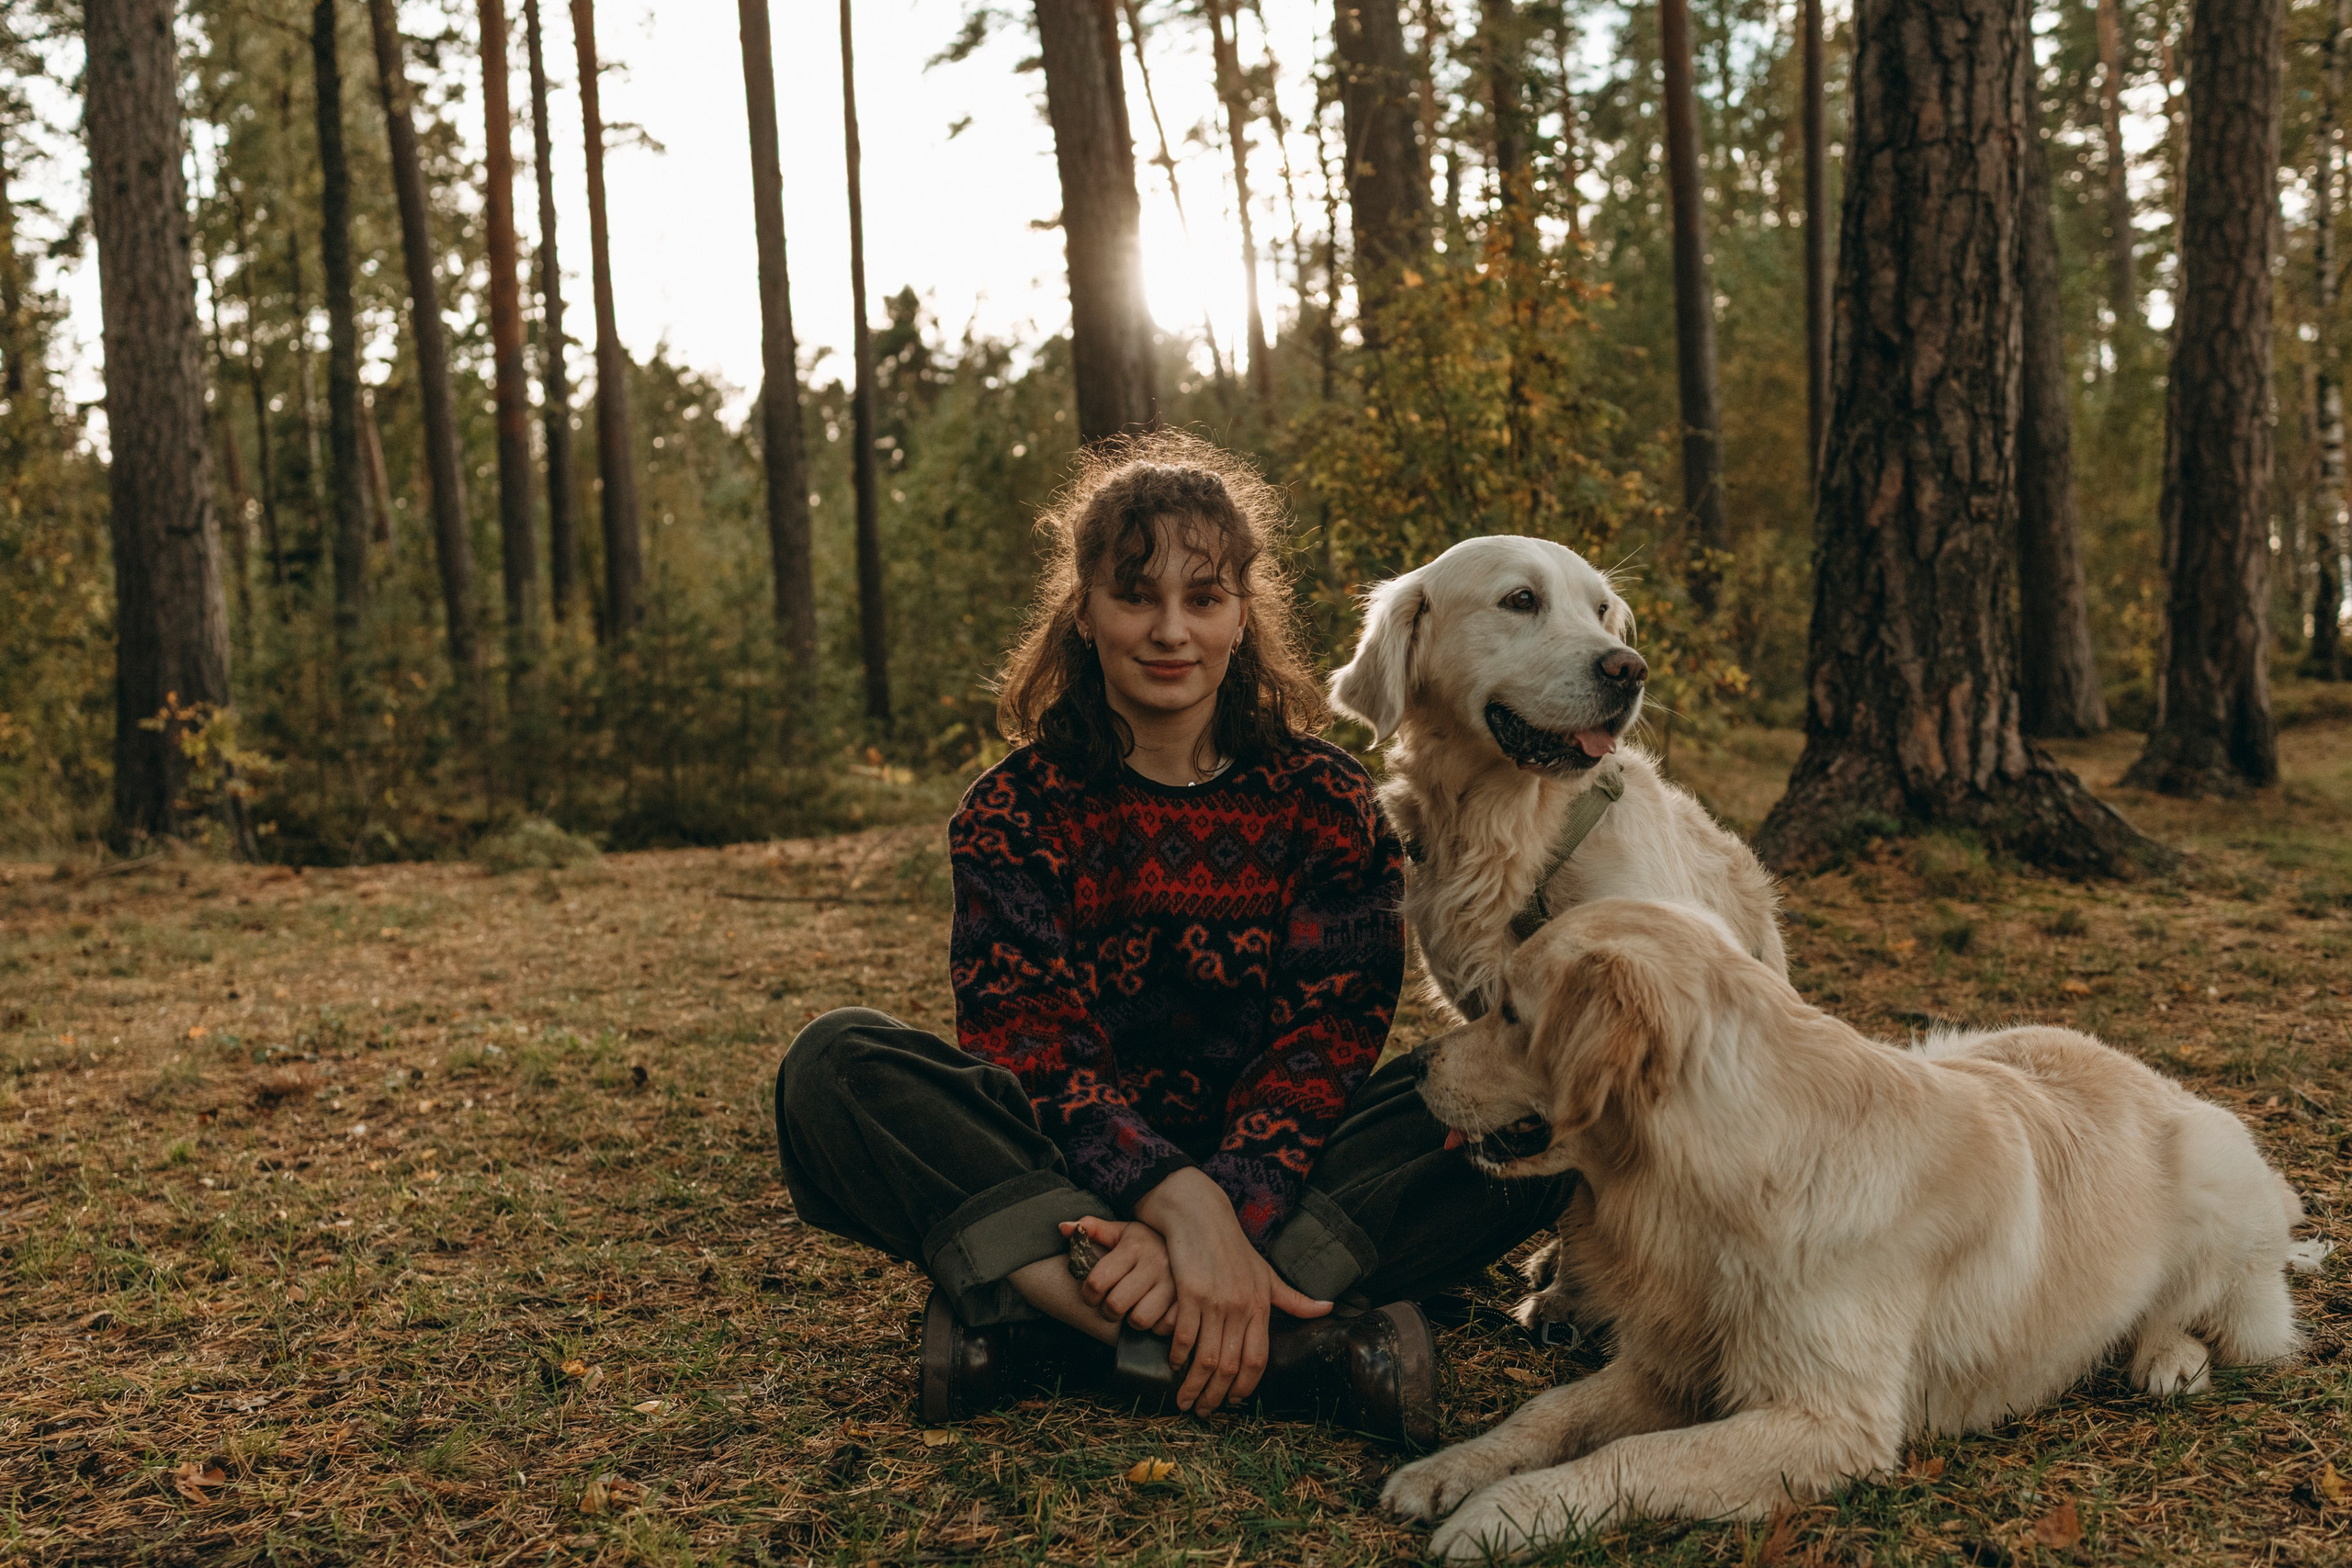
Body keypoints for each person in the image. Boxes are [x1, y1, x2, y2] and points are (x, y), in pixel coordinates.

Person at [774, 433, 1577, 1445]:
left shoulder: (1326, 802)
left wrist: (1225, 1208)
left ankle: (1052, 1329)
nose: (1168, 630)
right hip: (1072, 1176)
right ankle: (1288, 1349)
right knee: (834, 1066)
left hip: (1294, 1178)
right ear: (1082, 610)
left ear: (1243, 614)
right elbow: (1033, 1050)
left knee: (1541, 1096)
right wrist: (1172, 1198)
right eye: (1133, 594)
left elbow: (1325, 1044)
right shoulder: (1013, 811)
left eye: (1201, 598)